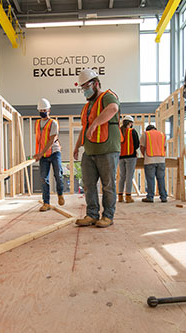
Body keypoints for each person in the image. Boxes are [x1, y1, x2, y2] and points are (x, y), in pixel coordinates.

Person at [73, 68, 120, 228]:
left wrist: (95, 124)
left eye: (87, 87)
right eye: (83, 88)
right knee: (88, 185)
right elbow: (85, 127)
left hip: (107, 150)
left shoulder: (107, 96)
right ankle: (92, 214)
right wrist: (77, 146)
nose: (85, 91)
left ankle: (108, 216)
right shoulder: (88, 106)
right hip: (90, 151)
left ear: (96, 84)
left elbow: (113, 109)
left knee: (108, 185)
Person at [33, 98, 64, 212]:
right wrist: (38, 153)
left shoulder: (53, 123)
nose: (42, 112)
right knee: (43, 179)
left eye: (44, 110)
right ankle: (46, 203)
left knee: (58, 176)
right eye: (40, 110)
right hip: (43, 156)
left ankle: (60, 193)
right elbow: (38, 140)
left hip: (54, 152)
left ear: (49, 110)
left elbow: (51, 140)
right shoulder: (36, 123)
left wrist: (41, 153)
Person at [140, 124, 168, 203]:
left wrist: (144, 155)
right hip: (161, 160)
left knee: (150, 179)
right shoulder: (162, 134)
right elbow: (165, 147)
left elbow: (142, 147)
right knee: (161, 179)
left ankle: (150, 197)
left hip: (149, 160)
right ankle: (164, 197)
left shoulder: (146, 134)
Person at [118, 115, 140, 203]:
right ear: (130, 123)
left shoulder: (119, 131)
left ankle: (120, 196)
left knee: (122, 177)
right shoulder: (132, 131)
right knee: (129, 177)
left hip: (120, 157)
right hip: (131, 156)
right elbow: (137, 144)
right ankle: (128, 197)